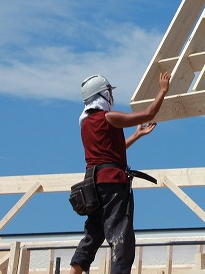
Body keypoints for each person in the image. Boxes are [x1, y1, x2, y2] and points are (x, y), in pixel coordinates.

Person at [70, 71, 171, 274]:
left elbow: (109, 154)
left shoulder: (86, 124)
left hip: (92, 187)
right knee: (121, 240)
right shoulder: (108, 118)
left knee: (93, 235)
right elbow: (149, 113)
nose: (113, 97)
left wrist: (136, 136)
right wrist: (162, 91)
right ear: (104, 95)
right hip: (113, 186)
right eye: (110, 93)